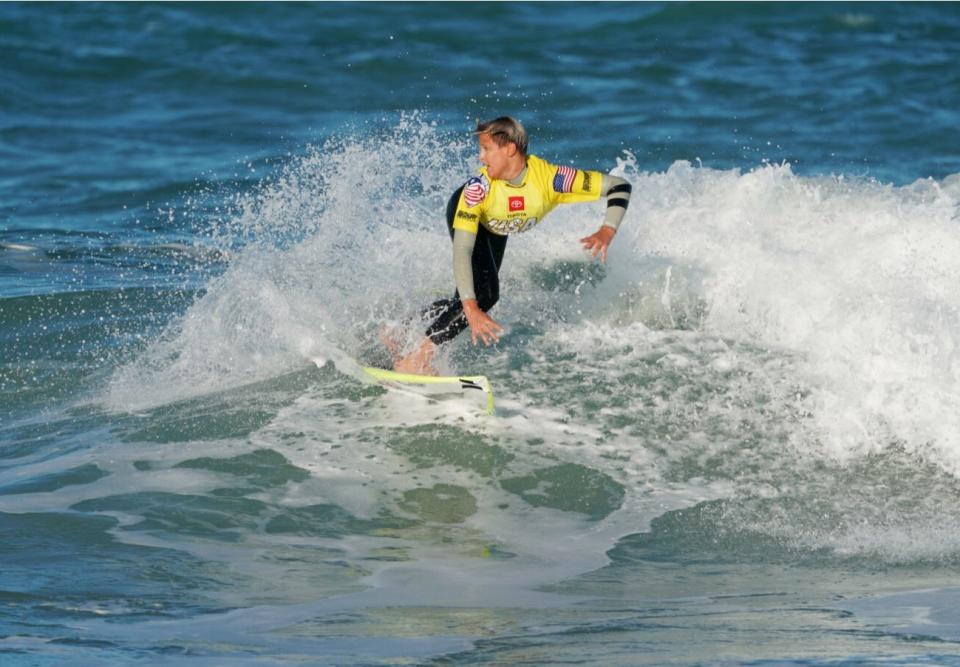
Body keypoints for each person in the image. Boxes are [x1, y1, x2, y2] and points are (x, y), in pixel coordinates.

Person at [392, 116, 632, 374]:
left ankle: (400, 329)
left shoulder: (552, 180)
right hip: (471, 217)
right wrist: (472, 309)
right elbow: (462, 250)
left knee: (469, 297)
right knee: (481, 296)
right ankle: (416, 358)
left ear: (509, 149)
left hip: (498, 225)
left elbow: (618, 186)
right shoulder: (478, 190)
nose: (481, 158)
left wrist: (608, 229)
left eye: (486, 149)